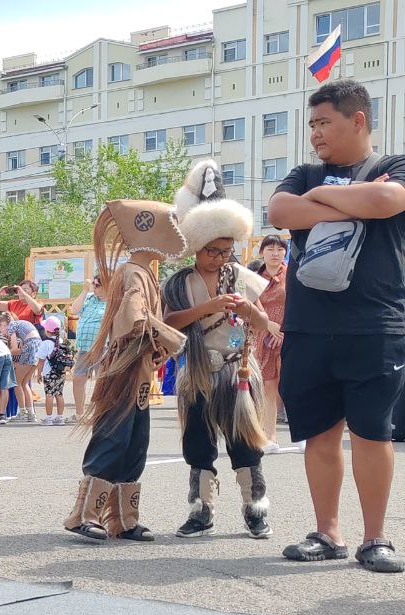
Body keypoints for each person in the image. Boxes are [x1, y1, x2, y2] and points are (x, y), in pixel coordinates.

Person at [269, 80, 405, 573]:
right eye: (312, 124)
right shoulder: (304, 171)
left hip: (376, 324)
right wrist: (347, 198)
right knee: (320, 435)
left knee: (373, 433)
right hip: (308, 326)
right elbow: (280, 211)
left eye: (324, 123)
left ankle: (375, 539)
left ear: (359, 120)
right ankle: (328, 532)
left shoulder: (395, 167)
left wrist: (324, 197)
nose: (316, 134)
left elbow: (388, 201)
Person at [163, 160, 276, 539]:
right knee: (198, 441)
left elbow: (261, 323)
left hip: (238, 369)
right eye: (213, 250)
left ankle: (255, 509)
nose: (220, 257)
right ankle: (201, 510)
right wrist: (205, 309)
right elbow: (169, 323)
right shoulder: (179, 282)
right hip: (198, 370)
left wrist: (247, 310)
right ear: (196, 246)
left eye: (226, 250)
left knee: (245, 441)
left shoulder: (242, 277)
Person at [65, 199, 187, 542]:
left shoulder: (141, 272)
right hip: (124, 369)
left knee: (135, 443)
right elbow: (134, 317)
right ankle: (83, 515)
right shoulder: (132, 272)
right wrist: (169, 337)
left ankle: (122, 519)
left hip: (139, 371)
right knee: (114, 438)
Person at [250, 236, 289, 452]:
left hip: (287, 335)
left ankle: (302, 433)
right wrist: (268, 324)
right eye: (270, 249)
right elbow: (249, 303)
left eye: (279, 249)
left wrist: (281, 330)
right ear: (262, 252)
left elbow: (297, 303)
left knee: (290, 385)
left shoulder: (292, 275)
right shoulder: (255, 276)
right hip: (261, 335)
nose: (275, 253)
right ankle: (269, 435)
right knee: (267, 386)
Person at [0, 279, 45, 420]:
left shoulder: (13, 326)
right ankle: (30, 413)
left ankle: (22, 412)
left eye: (3, 325)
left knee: (17, 382)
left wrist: (2, 354)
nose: (2, 329)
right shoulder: (18, 317)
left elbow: (15, 349)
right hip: (37, 347)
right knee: (24, 383)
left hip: (29, 347)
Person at [69, 276, 106, 424]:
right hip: (84, 346)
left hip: (102, 346)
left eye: (97, 285)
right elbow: (74, 310)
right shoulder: (90, 298)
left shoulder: (114, 302)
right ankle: (80, 413)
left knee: (101, 380)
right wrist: (85, 290)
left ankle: (99, 413)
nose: (94, 287)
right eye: (94, 285)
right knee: (78, 378)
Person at [37, 315, 75, 425]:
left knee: (49, 395)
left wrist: (38, 373)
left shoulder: (45, 343)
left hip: (49, 373)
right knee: (59, 394)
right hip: (61, 372)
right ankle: (60, 418)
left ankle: (49, 418)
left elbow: (41, 361)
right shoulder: (62, 342)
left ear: (47, 331)